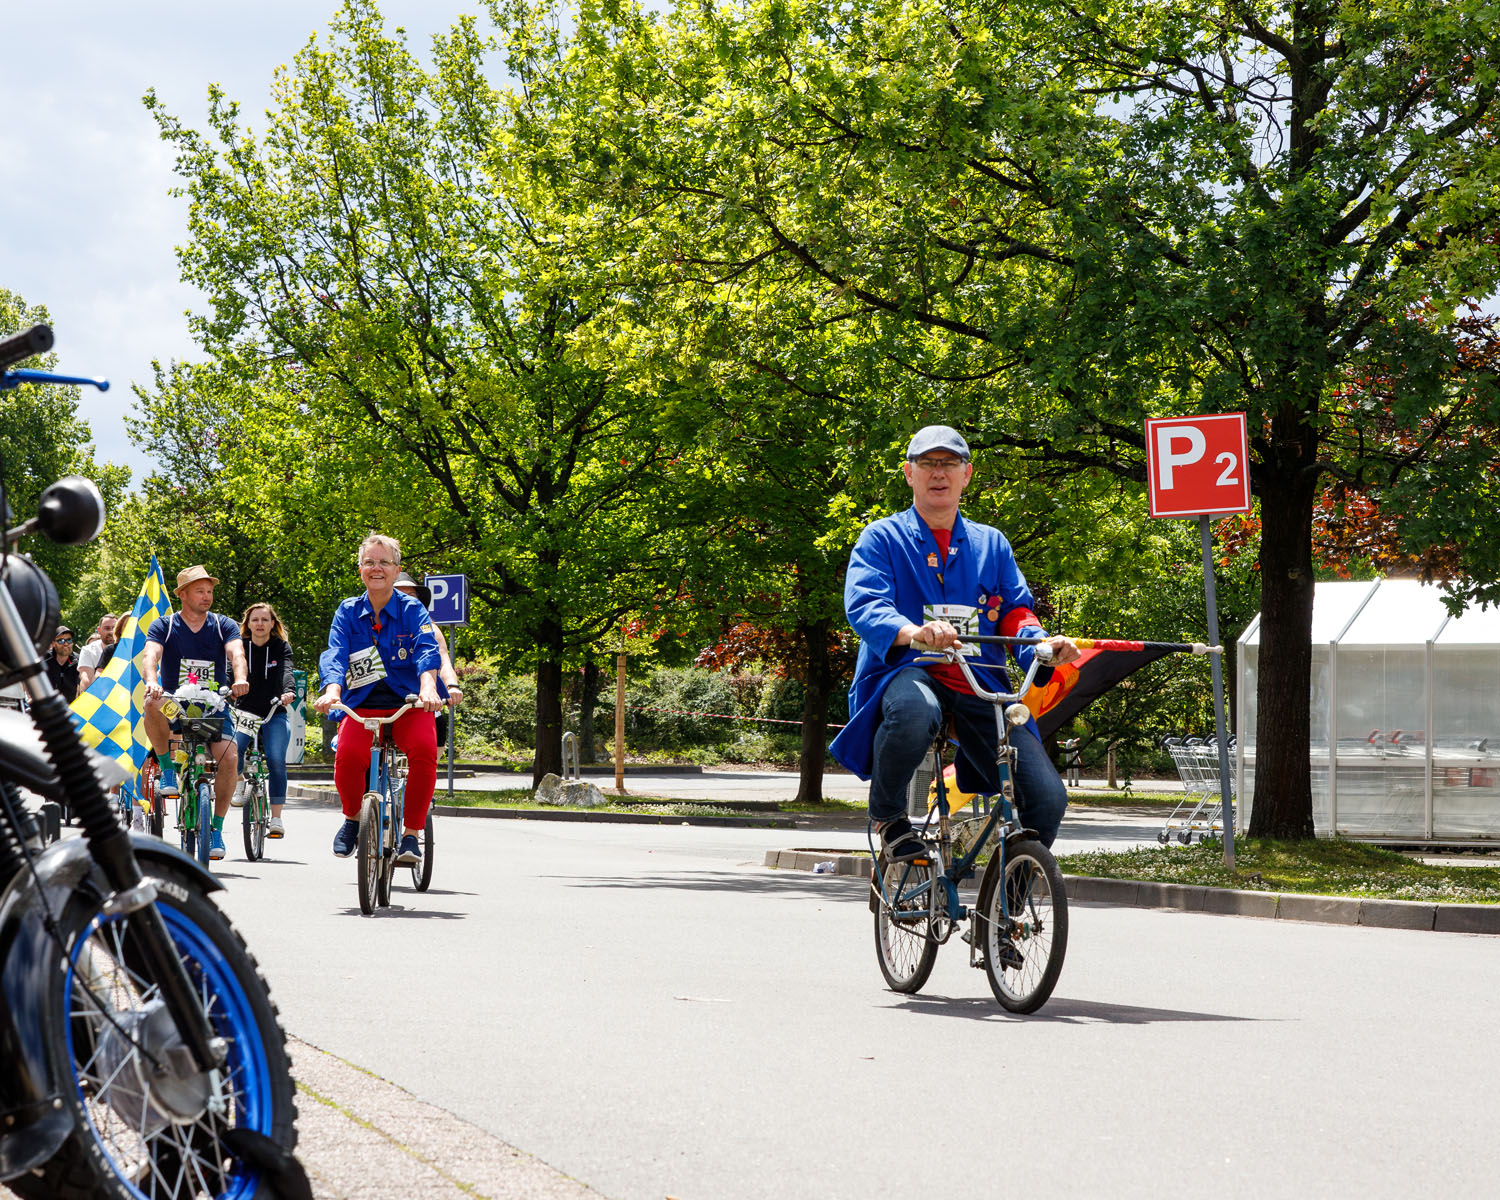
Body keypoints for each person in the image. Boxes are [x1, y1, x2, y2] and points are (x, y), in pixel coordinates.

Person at [829, 425, 1081, 861]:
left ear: (967, 474)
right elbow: (866, 604)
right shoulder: (881, 538)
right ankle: (889, 819)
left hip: (979, 682)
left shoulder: (993, 544)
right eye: (928, 463)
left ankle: (1005, 910)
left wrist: (1041, 645)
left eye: (949, 463)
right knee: (915, 709)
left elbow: (1015, 612)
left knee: (1047, 800)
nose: (939, 472)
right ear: (909, 474)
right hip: (905, 672)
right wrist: (912, 633)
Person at [313, 535, 443, 864]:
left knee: (425, 752)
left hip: (408, 702)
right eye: (370, 562)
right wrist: (332, 690)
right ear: (360, 570)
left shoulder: (413, 609)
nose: (377, 568)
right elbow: (335, 655)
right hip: (362, 702)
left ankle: (411, 835)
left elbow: (428, 652)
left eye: (384, 562)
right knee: (347, 756)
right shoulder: (348, 611)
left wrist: (429, 687)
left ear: (397, 569)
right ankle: (353, 819)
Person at [142, 566, 250, 861]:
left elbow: (237, 653)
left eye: (210, 591)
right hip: (174, 703)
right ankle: (166, 769)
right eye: (200, 591)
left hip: (213, 705)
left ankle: (215, 829)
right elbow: (150, 655)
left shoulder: (222, 624)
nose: (207, 597)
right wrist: (152, 681)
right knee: (152, 703)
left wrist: (240, 677)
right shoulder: (163, 626)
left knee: (229, 757)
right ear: (182, 595)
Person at [233, 602, 296, 839]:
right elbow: (231, 670)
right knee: (233, 749)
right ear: (248, 624)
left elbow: (286, 671)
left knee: (276, 760)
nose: (260, 624)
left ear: (273, 623)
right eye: (255, 620)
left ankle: (277, 818)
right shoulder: (240, 646)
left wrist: (288, 691)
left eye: (265, 620)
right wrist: (228, 687)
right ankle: (239, 783)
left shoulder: (281, 647)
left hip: (274, 711)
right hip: (245, 712)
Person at [393, 571, 462, 744]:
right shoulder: (375, 623)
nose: (405, 600)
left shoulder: (430, 627)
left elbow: (444, 661)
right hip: (385, 699)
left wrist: (452, 686)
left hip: (421, 700)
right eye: (399, 595)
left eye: (411, 595)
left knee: (434, 740)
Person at [77, 612, 118, 689]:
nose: (111, 632)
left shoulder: (126, 649)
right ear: (99, 630)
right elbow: (86, 681)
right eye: (107, 628)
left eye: (114, 627)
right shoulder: (88, 650)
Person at [44, 626, 80, 702]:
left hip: (72, 708)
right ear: (53, 643)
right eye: (61, 641)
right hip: (48, 707)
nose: (66, 644)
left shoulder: (78, 661)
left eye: (69, 640)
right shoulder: (44, 660)